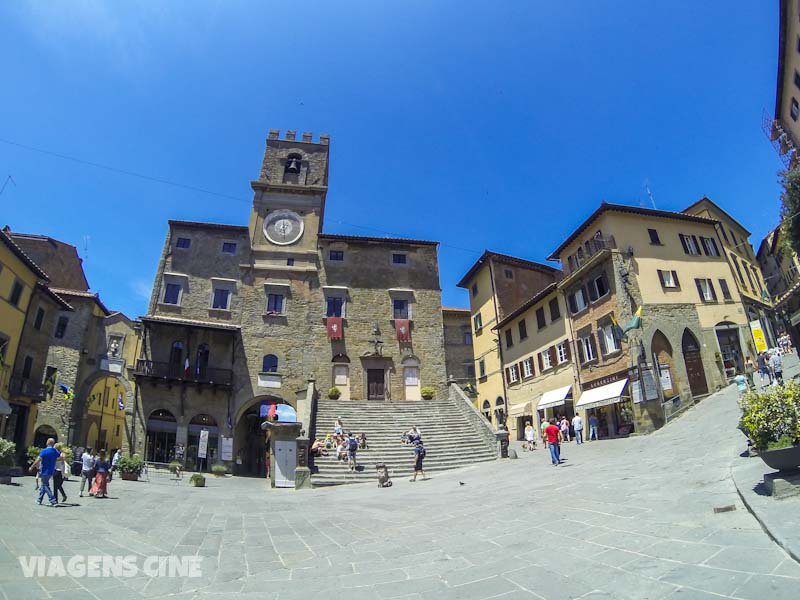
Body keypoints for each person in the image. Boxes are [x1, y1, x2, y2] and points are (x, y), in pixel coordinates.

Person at [30, 438, 61, 506]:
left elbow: (38, 460)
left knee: (45, 485)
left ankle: (52, 500)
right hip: (51, 470)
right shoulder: (55, 451)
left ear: (47, 442)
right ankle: (39, 499)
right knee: (44, 485)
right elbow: (60, 457)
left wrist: (32, 467)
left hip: (44, 470)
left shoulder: (44, 451)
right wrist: (54, 460)